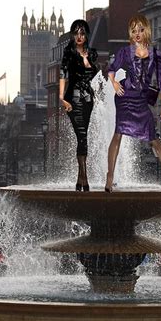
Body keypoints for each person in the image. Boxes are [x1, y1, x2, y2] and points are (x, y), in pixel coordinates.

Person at [105, 14, 161, 192]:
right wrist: (114, 83)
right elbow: (111, 70)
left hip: (141, 99)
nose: (137, 33)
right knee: (118, 134)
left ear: (147, 31)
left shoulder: (156, 54)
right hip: (124, 96)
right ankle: (109, 177)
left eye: (141, 29)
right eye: (134, 30)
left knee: (153, 139)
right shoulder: (124, 52)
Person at [59, 19, 100, 192]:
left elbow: (93, 72)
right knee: (81, 134)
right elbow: (63, 74)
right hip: (73, 98)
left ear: (87, 35)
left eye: (82, 33)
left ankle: (79, 178)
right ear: (72, 35)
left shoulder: (91, 53)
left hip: (88, 99)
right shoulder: (68, 53)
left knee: (82, 138)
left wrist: (85, 59)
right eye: (76, 33)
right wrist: (62, 98)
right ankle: (85, 178)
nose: (79, 36)